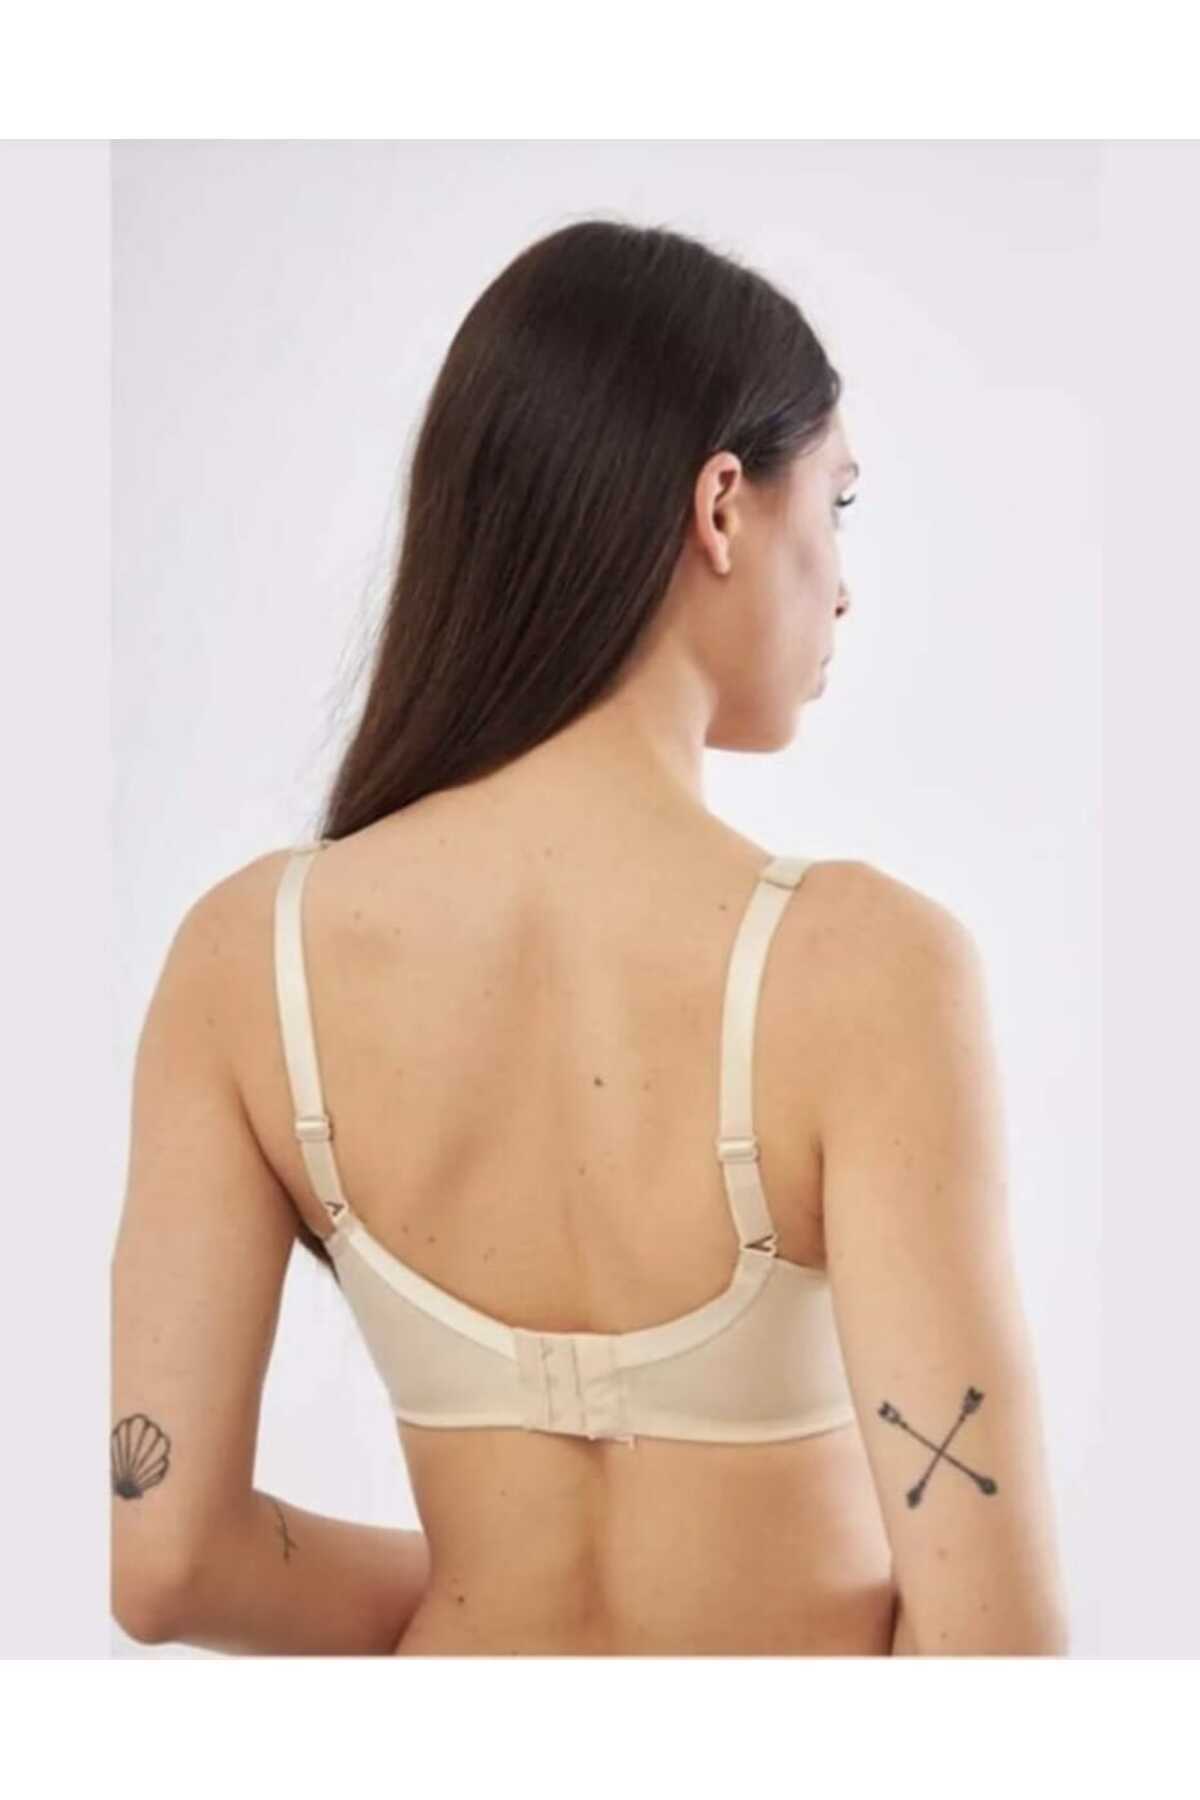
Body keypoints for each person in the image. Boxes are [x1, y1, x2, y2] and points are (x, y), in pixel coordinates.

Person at [110, 217, 1070, 1656]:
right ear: (723, 505)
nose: (844, 582)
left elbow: (164, 1558)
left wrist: (478, 1605)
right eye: (840, 502)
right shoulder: (870, 972)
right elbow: (996, 1656)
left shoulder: (247, 961)